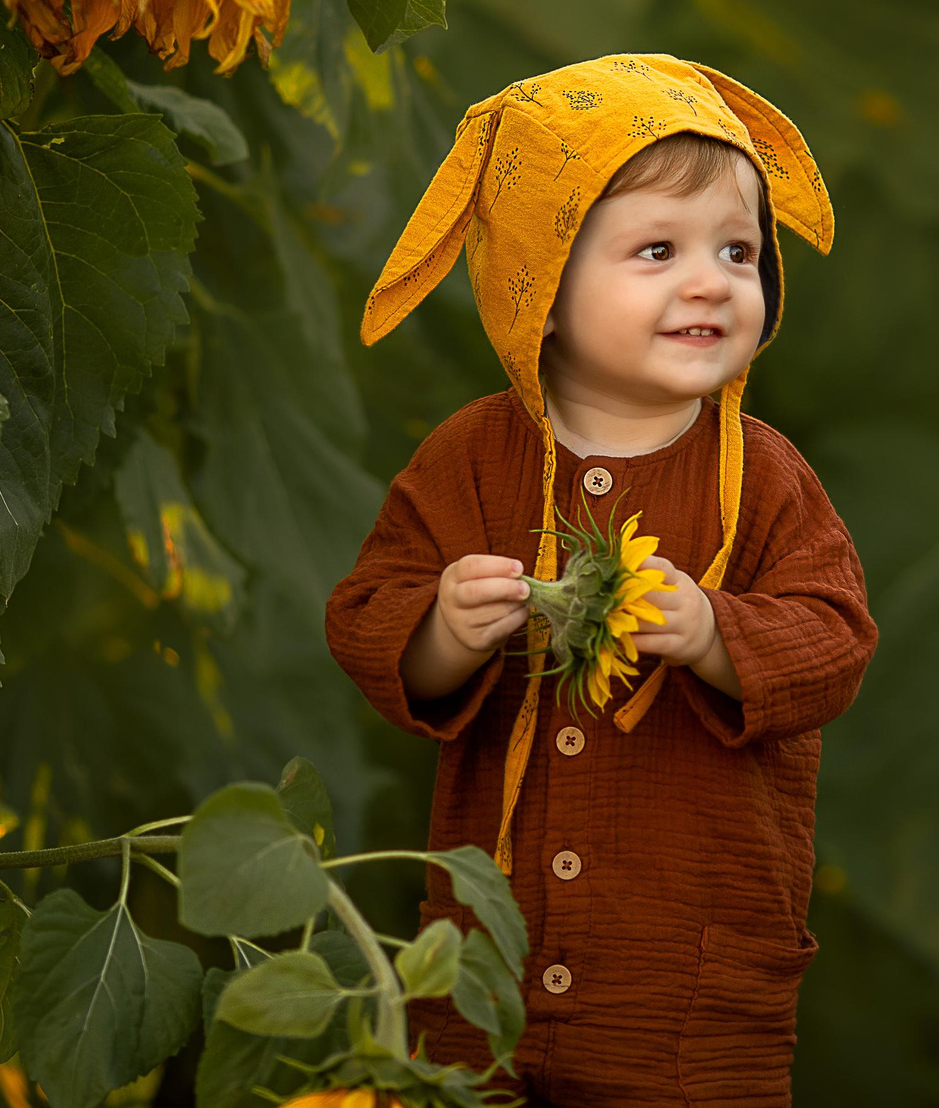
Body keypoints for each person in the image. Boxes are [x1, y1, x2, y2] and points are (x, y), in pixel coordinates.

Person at [327, 54, 878, 1107]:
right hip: (486, 979)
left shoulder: (761, 475)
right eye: (658, 250)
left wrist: (715, 633)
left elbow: (836, 638)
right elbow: (365, 614)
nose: (712, 281)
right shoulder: (472, 459)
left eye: (738, 250)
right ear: (539, 277)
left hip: (682, 997)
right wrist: (444, 629)